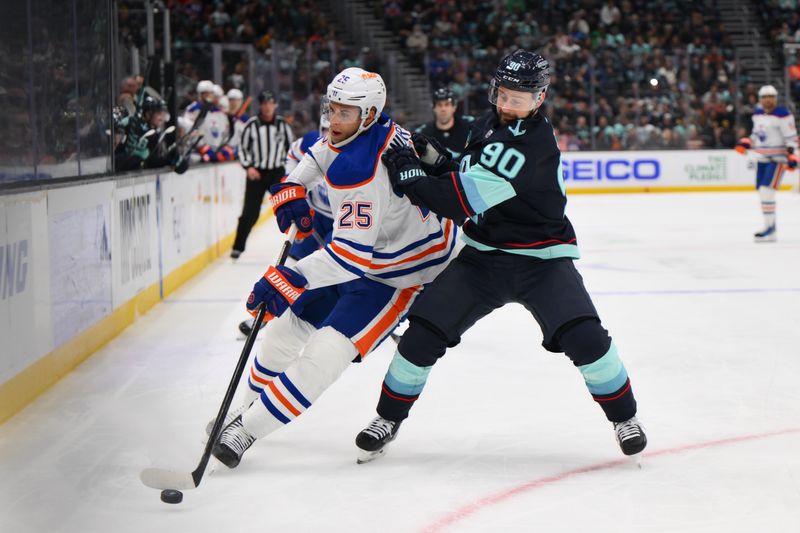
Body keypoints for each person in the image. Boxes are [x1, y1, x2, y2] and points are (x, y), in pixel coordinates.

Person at [355, 50, 648, 463]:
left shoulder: (531, 147)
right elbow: (468, 171)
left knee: (586, 338)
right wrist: (439, 160)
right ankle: (387, 418)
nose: (507, 104)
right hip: (483, 259)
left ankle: (624, 418)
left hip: (541, 261)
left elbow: (455, 202)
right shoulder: (488, 123)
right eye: (503, 94)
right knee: (420, 336)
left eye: (518, 98)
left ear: (540, 98)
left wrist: (409, 172)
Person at [210, 67, 458, 468]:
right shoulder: (373, 129)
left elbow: (351, 257)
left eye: (344, 113)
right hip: (367, 255)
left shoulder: (365, 176)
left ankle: (247, 430)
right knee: (282, 332)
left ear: (369, 113)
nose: (333, 121)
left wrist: (292, 277)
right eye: (332, 109)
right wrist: (293, 185)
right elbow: (321, 152)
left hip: (400, 274)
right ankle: (245, 409)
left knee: (327, 351)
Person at [231, 90, 294, 259]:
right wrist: (248, 167)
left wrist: (289, 171)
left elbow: (291, 150)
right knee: (249, 213)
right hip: (256, 174)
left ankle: (298, 248)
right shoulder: (251, 125)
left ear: (275, 105)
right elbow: (242, 149)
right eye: (264, 103)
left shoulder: (283, 125)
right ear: (260, 105)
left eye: (270, 103)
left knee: (290, 208)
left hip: (277, 173)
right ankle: (237, 247)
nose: (267, 107)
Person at [735, 85, 798, 242]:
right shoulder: (757, 114)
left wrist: (792, 156)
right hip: (761, 158)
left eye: (771, 96)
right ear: (760, 99)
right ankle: (770, 227)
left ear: (775, 98)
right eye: (764, 97)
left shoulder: (783, 115)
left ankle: (770, 229)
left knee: (766, 191)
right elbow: (757, 134)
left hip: (777, 159)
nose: (767, 100)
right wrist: (748, 142)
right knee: (763, 193)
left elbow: (791, 138)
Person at [414, 87, 474, 159]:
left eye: (447, 104)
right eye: (439, 105)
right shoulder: (424, 133)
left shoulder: (469, 127)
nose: (443, 109)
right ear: (433, 108)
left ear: (454, 107)